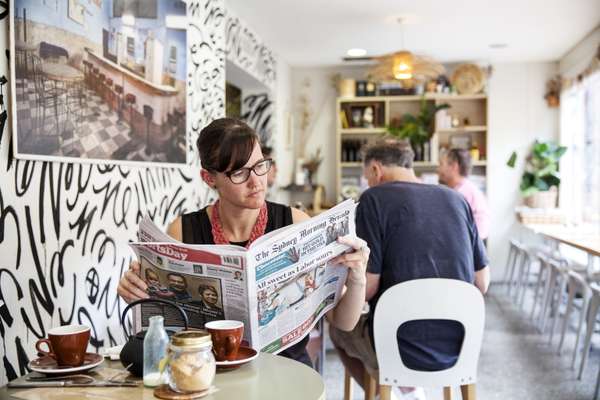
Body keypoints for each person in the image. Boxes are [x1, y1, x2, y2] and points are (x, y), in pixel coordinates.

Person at [118, 117, 369, 367]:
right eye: (239, 172)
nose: (257, 181)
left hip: (286, 373)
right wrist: (138, 296)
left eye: (260, 165)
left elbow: (344, 321)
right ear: (209, 178)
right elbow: (169, 325)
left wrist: (357, 278)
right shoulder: (183, 230)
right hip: (211, 374)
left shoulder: (295, 223)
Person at [330, 140, 490, 400]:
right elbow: (482, 282)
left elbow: (368, 288)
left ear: (375, 169)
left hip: (396, 345)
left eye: (366, 176)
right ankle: (407, 390)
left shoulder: (372, 200)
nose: (367, 182)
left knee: (338, 327)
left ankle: (390, 393)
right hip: (460, 344)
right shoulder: (457, 199)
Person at [437, 148, 490, 240]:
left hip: (470, 246)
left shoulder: (462, 193)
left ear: (454, 166)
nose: (438, 169)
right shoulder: (463, 188)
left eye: (441, 164)